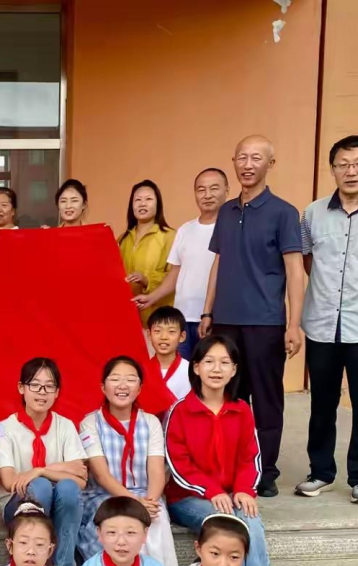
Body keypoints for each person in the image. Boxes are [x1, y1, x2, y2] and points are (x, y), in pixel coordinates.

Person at [199, 135, 305, 497]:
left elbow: (295, 270)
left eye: (256, 158)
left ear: (270, 165)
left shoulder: (284, 212)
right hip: (226, 321)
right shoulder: (227, 212)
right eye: (241, 157)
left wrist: (293, 324)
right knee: (229, 398)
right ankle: (232, 467)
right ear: (234, 162)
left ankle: (266, 471)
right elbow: (218, 263)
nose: (247, 165)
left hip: (265, 322)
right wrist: (208, 310)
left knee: (266, 399)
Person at [165, 334, 285, 566]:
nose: (216, 369)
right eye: (209, 362)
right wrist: (212, 490)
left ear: (234, 370)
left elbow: (251, 456)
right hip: (189, 497)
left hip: (232, 496)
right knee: (233, 523)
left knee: (251, 521)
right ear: (196, 367)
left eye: (224, 363)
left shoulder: (241, 409)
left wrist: (245, 489)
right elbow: (178, 463)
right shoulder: (180, 411)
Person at [295, 135, 358, 500]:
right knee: (322, 403)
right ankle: (321, 472)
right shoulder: (313, 213)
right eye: (343, 164)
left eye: (357, 164)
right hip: (321, 324)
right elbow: (306, 259)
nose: (351, 171)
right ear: (332, 169)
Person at [78, 357, 179, 566]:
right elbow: (101, 475)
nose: (122, 385)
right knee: (121, 520)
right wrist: (134, 502)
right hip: (103, 496)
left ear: (140, 388)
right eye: (115, 379)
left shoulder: (150, 422)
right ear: (103, 387)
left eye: (131, 380)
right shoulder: (90, 423)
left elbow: (156, 471)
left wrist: (150, 500)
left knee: (157, 517)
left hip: (146, 494)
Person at [0, 357, 87, 566]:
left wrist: (40, 470)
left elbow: (81, 481)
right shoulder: (5, 427)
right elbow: (9, 481)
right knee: (42, 486)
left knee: (68, 488)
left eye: (49, 386)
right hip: (19, 504)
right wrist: (59, 469)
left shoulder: (65, 426)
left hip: (61, 505)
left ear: (57, 392)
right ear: (21, 388)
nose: (42, 392)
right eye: (35, 385)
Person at [133, 169, 229, 360]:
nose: (207, 195)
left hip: (214, 318)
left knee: (209, 372)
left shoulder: (231, 229)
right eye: (201, 190)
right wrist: (151, 297)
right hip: (183, 318)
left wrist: (209, 313)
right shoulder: (186, 229)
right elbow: (175, 273)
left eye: (214, 188)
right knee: (181, 372)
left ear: (227, 191)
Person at [118, 180, 176, 325]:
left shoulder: (170, 236)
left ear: (158, 204)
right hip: (126, 316)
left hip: (158, 317)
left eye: (148, 199)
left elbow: (175, 276)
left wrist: (146, 280)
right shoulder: (122, 239)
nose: (142, 204)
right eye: (137, 200)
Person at [146, 306, 191, 401]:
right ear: (149, 335)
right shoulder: (142, 371)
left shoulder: (190, 370)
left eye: (171, 331)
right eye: (157, 331)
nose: (164, 337)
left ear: (182, 336)